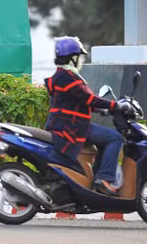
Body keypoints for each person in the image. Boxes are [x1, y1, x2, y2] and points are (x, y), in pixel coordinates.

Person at [44, 36, 134, 196]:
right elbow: (89, 99)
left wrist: (102, 110)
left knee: (105, 140)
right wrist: (116, 105)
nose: (81, 60)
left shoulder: (64, 76)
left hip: (68, 125)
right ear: (72, 58)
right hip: (71, 128)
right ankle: (104, 179)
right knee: (114, 138)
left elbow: (77, 102)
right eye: (79, 56)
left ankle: (98, 177)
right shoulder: (67, 77)